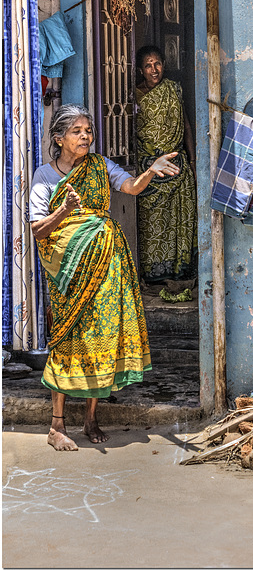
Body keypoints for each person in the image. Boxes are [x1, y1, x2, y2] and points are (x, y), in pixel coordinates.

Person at [29, 104, 180, 451]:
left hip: (107, 265)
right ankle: (57, 425)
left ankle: (91, 418)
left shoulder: (100, 166)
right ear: (59, 138)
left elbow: (129, 187)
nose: (85, 136)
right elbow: (37, 229)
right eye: (77, 131)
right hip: (68, 273)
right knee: (68, 340)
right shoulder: (45, 176)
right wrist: (65, 211)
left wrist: (150, 171)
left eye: (88, 130)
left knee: (101, 336)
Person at [135, 45, 198, 283]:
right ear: (141, 70)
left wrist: (192, 160)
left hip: (178, 167)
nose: (154, 69)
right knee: (153, 224)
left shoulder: (173, 90)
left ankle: (179, 272)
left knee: (179, 222)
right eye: (148, 65)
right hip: (150, 169)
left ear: (164, 64)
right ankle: (153, 275)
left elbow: (187, 126)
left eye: (157, 63)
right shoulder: (135, 96)